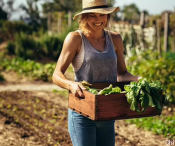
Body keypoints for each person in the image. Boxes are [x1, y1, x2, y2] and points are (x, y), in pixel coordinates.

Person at [52, 0, 141, 145]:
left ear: (108, 16)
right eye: (92, 15)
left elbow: (122, 74)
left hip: (106, 111)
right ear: (84, 17)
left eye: (102, 15)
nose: (98, 19)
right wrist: (71, 85)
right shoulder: (75, 38)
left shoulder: (115, 38)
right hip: (82, 112)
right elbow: (56, 75)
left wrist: (140, 79)